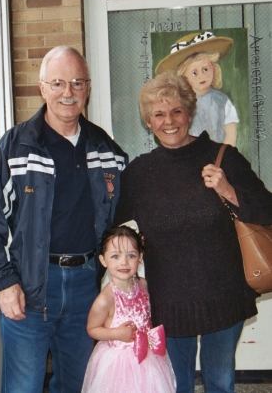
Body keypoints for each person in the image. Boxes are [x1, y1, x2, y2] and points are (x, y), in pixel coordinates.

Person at [0, 45, 128, 393]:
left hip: (87, 285)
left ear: (87, 88)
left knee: (77, 384)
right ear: (42, 87)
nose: (68, 93)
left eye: (76, 83)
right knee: (23, 386)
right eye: (57, 83)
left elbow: (123, 222)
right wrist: (4, 282)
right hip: (28, 286)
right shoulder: (15, 147)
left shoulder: (107, 151)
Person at [114, 70, 272, 393]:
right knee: (175, 385)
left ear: (189, 113)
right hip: (168, 301)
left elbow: (267, 209)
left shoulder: (223, 157)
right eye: (158, 114)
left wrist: (229, 191)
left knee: (220, 383)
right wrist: (131, 248)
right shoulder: (139, 173)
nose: (168, 121)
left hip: (223, 298)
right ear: (148, 121)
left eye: (176, 111)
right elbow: (113, 225)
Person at [81, 225, 176, 393]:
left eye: (131, 255)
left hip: (148, 359)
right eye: (115, 256)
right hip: (118, 363)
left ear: (140, 257)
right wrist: (116, 334)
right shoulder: (105, 299)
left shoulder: (143, 285)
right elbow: (92, 329)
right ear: (103, 260)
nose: (123, 262)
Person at [155, 31, 239, 145]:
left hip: (220, 157)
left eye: (205, 69)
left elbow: (231, 132)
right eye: (194, 73)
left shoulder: (222, 101)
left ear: (214, 69)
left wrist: (224, 155)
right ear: (183, 77)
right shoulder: (180, 103)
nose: (201, 76)